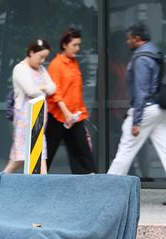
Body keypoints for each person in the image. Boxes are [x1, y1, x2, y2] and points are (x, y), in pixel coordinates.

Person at [108, 22, 166, 176]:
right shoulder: (156, 53)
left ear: (137, 39)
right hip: (158, 109)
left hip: (145, 109)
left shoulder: (141, 59)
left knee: (125, 150)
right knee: (165, 149)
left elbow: (141, 91)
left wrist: (136, 122)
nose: (127, 42)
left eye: (129, 39)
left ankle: (108, 188)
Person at [46, 28, 96, 174]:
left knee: (83, 150)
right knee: (48, 152)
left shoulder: (74, 64)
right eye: (74, 45)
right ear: (64, 45)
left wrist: (81, 116)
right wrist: (66, 112)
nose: (77, 48)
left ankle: (90, 183)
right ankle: (34, 183)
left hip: (75, 116)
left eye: (78, 45)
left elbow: (76, 93)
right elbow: (56, 93)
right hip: (57, 116)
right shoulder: (56, 65)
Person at [3, 39, 56, 174]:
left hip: (38, 117)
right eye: (40, 57)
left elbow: (53, 88)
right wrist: (44, 88)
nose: (42, 61)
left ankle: (42, 183)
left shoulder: (42, 69)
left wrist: (41, 88)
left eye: (45, 57)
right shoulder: (20, 69)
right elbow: (31, 90)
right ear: (31, 53)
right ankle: (0, 181)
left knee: (38, 153)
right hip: (25, 119)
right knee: (20, 157)